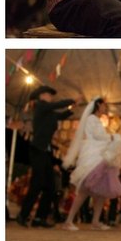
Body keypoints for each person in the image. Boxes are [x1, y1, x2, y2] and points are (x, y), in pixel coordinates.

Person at [61, 98, 121, 231]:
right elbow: (99, 136)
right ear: (98, 105)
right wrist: (115, 137)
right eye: (104, 105)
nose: (106, 108)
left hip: (100, 156)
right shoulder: (92, 119)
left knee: (102, 191)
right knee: (84, 190)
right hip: (94, 157)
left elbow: (101, 137)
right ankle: (69, 220)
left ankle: (95, 221)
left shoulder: (97, 120)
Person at [17, 86, 76, 228]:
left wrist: (72, 107)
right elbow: (56, 106)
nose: (52, 98)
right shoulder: (40, 107)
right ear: (42, 95)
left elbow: (61, 115)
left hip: (45, 152)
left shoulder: (48, 113)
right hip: (37, 150)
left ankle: (39, 218)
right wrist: (72, 100)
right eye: (50, 95)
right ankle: (23, 215)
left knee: (50, 186)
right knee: (37, 183)